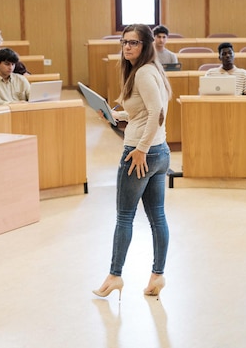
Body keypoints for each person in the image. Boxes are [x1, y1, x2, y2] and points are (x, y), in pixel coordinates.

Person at [93, 23, 172, 300]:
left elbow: (156, 113)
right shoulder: (151, 72)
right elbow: (142, 113)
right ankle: (157, 275)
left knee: (125, 217)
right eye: (125, 42)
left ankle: (115, 275)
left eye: (134, 43)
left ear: (146, 46)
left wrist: (140, 149)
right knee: (157, 217)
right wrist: (115, 117)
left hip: (142, 154)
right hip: (160, 153)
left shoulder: (143, 74)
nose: (127, 47)